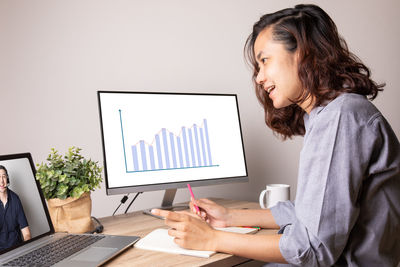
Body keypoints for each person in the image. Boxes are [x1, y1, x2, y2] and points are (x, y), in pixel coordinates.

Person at [151, 4, 400, 266]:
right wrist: (229, 217)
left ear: (303, 54)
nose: (258, 77)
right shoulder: (331, 114)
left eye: (264, 60)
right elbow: (312, 212)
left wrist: (212, 239)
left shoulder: (341, 116)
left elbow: (312, 249)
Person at [0, 165, 31, 251]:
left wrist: (26, 250)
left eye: (3, 177)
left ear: (7, 179)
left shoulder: (15, 199)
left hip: (17, 249)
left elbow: (26, 233)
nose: (1, 181)